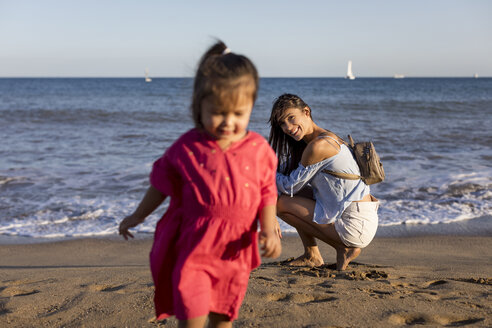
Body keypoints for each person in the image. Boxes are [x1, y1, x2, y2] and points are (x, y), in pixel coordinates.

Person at [119, 41, 281, 328]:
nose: (228, 122)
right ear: (199, 105)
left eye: (239, 114)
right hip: (193, 249)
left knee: (222, 318)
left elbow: (267, 191)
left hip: (234, 251)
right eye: (218, 112)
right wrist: (137, 216)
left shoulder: (258, 149)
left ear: (251, 106)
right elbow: (160, 185)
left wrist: (269, 230)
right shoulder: (187, 148)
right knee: (191, 316)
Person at [269, 93, 379, 271]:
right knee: (284, 195)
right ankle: (311, 255)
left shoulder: (318, 146)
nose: (288, 127)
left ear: (306, 112)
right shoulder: (322, 138)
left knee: (280, 203)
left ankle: (341, 248)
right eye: (282, 123)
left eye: (291, 118)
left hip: (356, 225)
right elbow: (292, 183)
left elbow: (290, 186)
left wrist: (267, 174)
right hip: (360, 216)